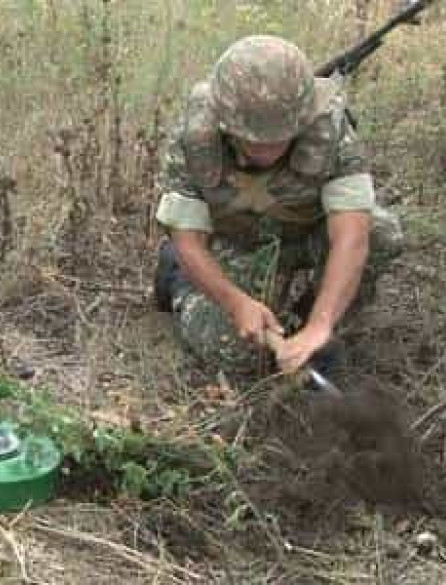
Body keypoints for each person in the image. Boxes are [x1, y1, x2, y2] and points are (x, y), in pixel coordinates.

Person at [154, 35, 402, 377]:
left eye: (279, 138)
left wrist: (320, 324)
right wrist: (236, 303)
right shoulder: (195, 136)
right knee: (236, 354)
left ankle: (306, 329)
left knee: (381, 232)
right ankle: (178, 280)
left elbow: (352, 235)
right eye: (253, 139)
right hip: (240, 243)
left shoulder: (331, 128)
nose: (267, 150)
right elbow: (189, 241)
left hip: (310, 232)